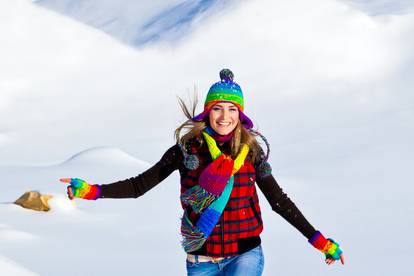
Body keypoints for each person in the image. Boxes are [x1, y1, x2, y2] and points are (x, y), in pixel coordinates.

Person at [60, 69, 345, 276]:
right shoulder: (186, 150)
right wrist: (94, 191)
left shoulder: (252, 153)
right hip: (201, 259)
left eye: (232, 109)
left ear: (240, 114)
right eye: (217, 108)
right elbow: (140, 185)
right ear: (207, 112)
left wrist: (318, 240)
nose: (224, 116)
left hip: (244, 254)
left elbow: (279, 201)